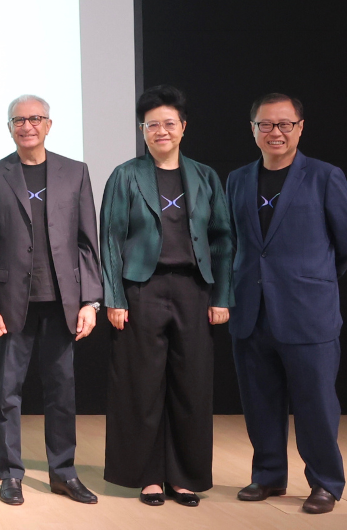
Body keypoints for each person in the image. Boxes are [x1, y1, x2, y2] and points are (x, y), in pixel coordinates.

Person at [227, 94, 347, 514]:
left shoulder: (325, 176)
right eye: (266, 125)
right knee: (259, 401)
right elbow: (232, 240)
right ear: (253, 130)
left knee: (315, 404)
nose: (276, 133)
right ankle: (268, 476)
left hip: (308, 312)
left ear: (300, 128)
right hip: (252, 310)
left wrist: (314, 278)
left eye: (285, 124)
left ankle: (325, 483)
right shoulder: (237, 179)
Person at [100, 85, 233, 507]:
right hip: (142, 289)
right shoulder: (125, 175)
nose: (161, 131)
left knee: (191, 386)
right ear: (142, 130)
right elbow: (110, 240)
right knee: (141, 386)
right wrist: (115, 297)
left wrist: (221, 295)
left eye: (169, 123)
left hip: (194, 290)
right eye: (152, 124)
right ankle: (149, 476)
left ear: (183, 127)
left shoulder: (205, 176)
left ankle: (183, 477)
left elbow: (223, 239)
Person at [0, 95, 102, 506]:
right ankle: (10, 475)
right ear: (9, 127)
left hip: (63, 302)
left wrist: (91, 301)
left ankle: (63, 473)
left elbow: (87, 241)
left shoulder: (75, 172)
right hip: (12, 304)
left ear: (48, 124)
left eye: (35, 119)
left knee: (62, 392)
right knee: (7, 393)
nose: (26, 126)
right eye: (18, 120)